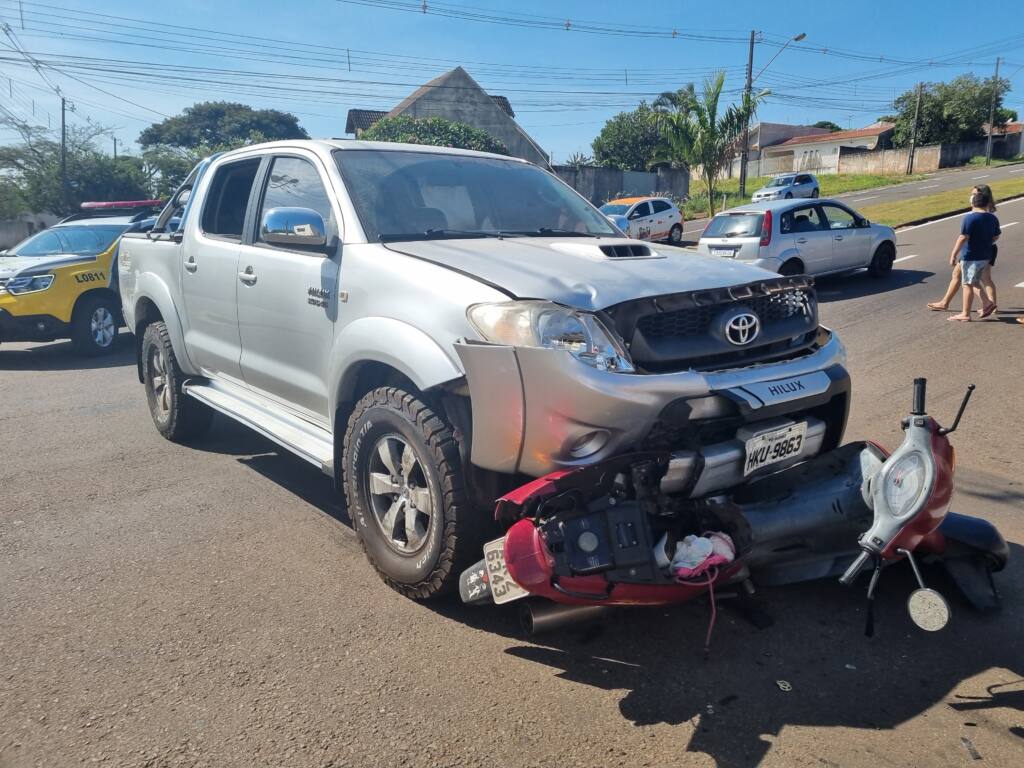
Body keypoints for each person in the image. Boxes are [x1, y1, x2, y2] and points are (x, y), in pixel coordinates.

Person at [928, 185, 999, 314]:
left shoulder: (981, 213)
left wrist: (954, 253)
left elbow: (966, 236)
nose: (972, 197)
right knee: (960, 275)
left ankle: (989, 305)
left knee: (978, 280)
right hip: (980, 250)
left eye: (975, 194)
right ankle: (945, 302)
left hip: (976, 251)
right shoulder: (985, 212)